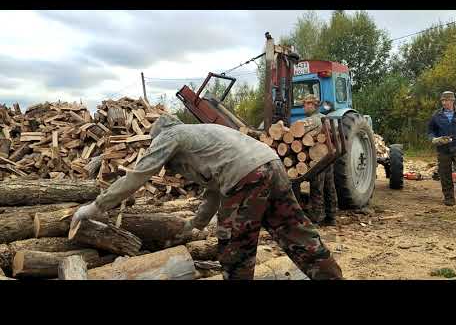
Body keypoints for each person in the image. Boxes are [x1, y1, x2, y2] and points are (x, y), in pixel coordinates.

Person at [70, 113, 343, 280]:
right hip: (272, 165)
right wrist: (197, 224)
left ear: (160, 136)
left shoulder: (171, 135)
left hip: (247, 176)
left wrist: (97, 206)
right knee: (296, 232)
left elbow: (137, 176)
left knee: (236, 250)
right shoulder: (202, 136)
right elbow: (214, 190)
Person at [302, 94, 338, 226]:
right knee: (330, 186)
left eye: (306, 104)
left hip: (318, 158)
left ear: (312, 105)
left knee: (317, 187)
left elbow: (301, 134)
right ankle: (331, 216)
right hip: (329, 157)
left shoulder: (312, 120)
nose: (304, 107)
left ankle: (316, 218)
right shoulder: (325, 118)